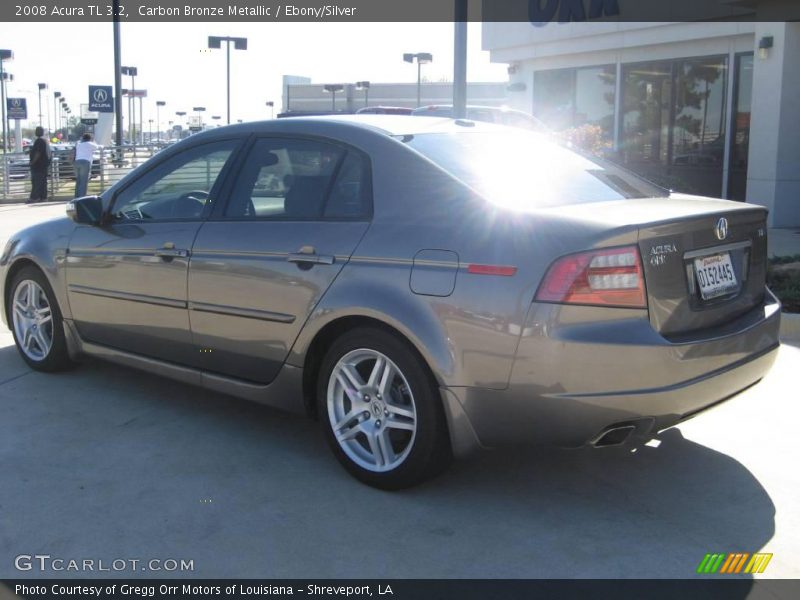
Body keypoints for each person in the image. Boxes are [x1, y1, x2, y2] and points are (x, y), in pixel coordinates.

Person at [28, 126, 51, 203]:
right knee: (43, 182)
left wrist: (33, 162)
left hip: (38, 166)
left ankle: (34, 198)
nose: (36, 132)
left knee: (36, 182)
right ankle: (43, 197)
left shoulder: (39, 141)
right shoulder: (45, 141)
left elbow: (38, 152)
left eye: (38, 130)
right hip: (44, 165)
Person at [73, 133, 101, 198]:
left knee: (78, 181)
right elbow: (98, 147)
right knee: (84, 181)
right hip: (85, 162)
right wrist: (93, 141)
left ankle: (76, 197)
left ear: (83, 138)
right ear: (90, 139)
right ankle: (81, 198)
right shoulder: (90, 144)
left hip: (77, 162)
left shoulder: (79, 145)